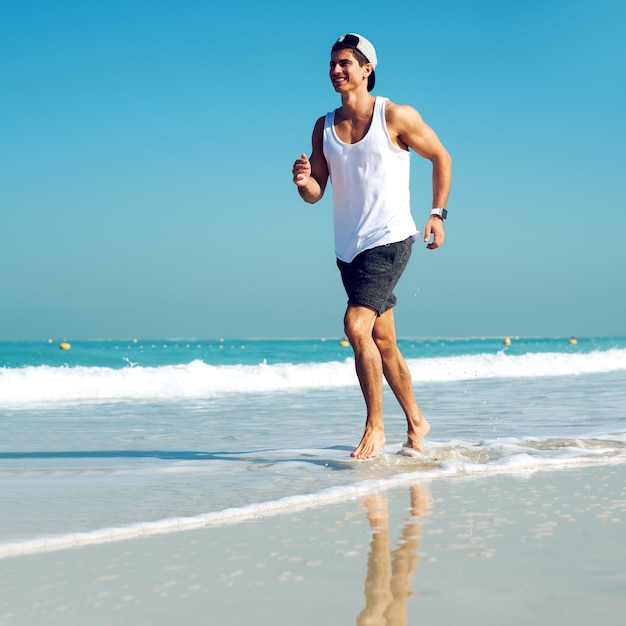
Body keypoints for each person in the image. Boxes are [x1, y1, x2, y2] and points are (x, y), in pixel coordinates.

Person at [292, 33, 452, 459]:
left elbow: (441, 157)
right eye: (331, 64)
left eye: (345, 63)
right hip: (348, 249)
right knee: (382, 341)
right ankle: (417, 423)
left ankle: (374, 427)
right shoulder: (323, 126)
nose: (336, 70)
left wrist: (438, 213)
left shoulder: (394, 116)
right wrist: (305, 180)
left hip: (390, 238)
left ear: (367, 70)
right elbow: (316, 193)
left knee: (355, 326)